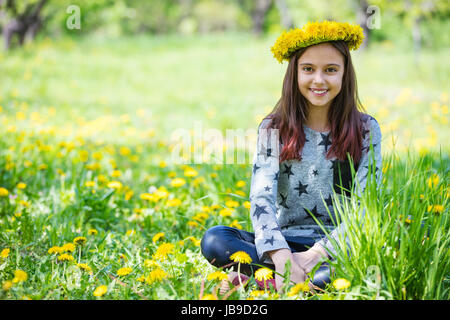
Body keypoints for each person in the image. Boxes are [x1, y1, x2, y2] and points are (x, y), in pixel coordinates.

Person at [200, 20, 383, 292]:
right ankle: (293, 281)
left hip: (336, 248)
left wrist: (313, 256)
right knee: (215, 240)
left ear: (345, 75)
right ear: (294, 73)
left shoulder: (366, 129)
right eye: (308, 69)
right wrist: (283, 258)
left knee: (359, 267)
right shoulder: (273, 128)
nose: (318, 80)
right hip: (283, 243)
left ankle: (263, 280)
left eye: (330, 70)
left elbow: (366, 208)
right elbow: (261, 199)